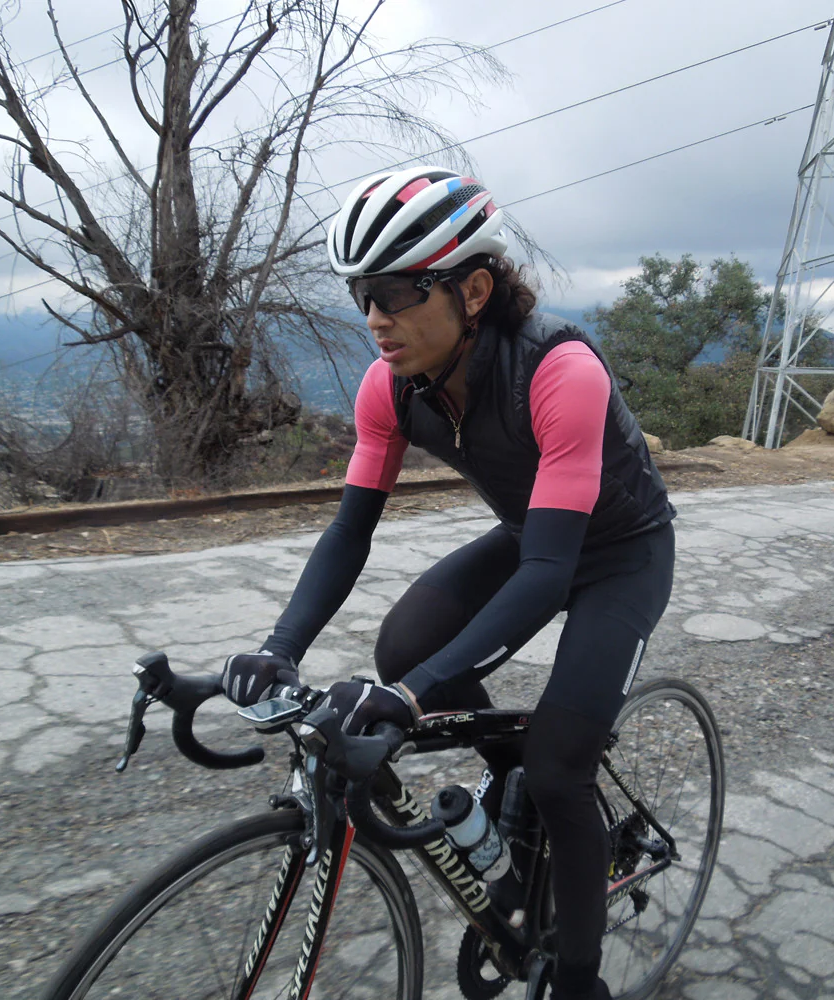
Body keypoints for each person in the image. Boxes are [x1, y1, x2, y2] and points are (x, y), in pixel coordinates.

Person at [220, 165, 675, 1000]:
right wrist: (279, 648)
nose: (374, 318)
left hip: (621, 553)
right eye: (363, 294)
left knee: (559, 767)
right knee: (405, 644)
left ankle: (579, 978)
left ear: (473, 290)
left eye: (396, 292)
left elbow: (551, 574)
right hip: (532, 534)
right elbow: (350, 531)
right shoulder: (390, 389)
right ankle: (519, 790)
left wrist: (413, 698)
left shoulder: (559, 370)